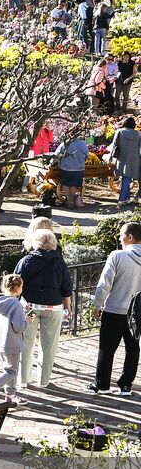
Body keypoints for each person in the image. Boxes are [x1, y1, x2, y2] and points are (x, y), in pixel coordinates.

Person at [13, 227, 73, 389]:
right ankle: (43, 381)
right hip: (53, 307)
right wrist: (67, 307)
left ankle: (23, 380)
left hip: (29, 306)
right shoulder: (59, 262)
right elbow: (67, 287)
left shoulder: (26, 261)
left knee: (25, 342)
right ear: (53, 243)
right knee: (49, 345)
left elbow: (16, 284)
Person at [90, 220, 141, 395]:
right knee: (133, 349)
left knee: (107, 348)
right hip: (137, 313)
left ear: (130, 237)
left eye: (121, 236)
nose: (119, 239)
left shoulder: (117, 256)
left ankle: (102, 384)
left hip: (114, 309)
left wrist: (98, 305)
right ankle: (126, 384)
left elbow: (104, 284)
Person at [0, 273, 31, 404]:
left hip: (0, 341)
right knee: (11, 371)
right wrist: (27, 320)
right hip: (12, 343)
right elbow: (19, 327)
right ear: (17, 288)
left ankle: (10, 397)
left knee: (8, 369)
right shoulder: (16, 305)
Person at [110, 116, 141, 205]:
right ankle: (127, 198)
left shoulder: (119, 132)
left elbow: (114, 145)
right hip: (135, 158)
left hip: (122, 156)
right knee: (127, 177)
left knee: (125, 177)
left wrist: (111, 158)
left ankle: (121, 199)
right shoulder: (138, 134)